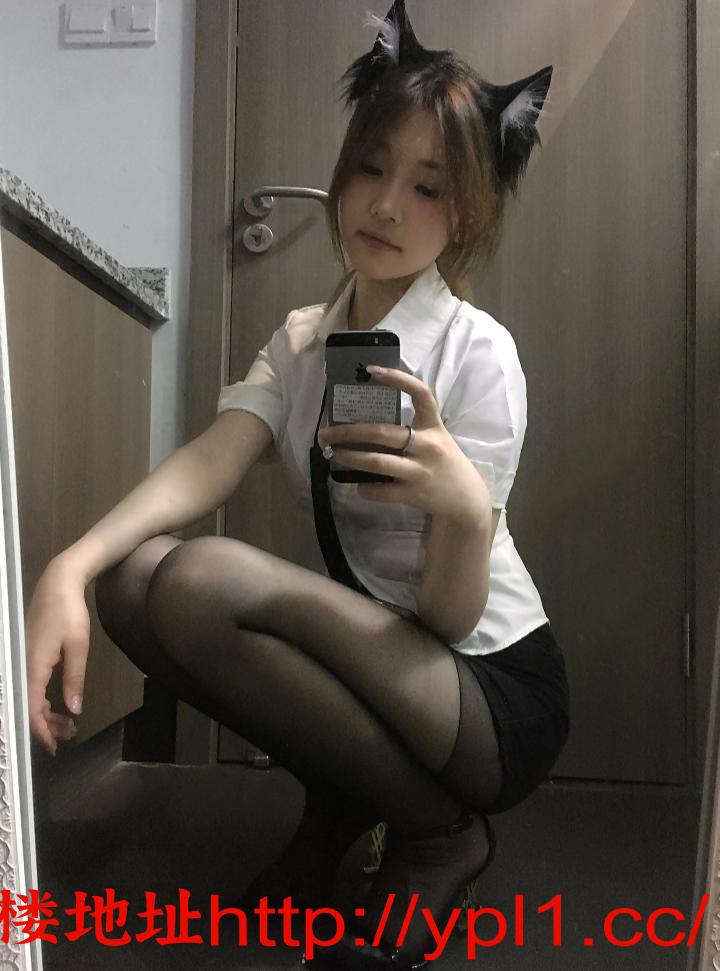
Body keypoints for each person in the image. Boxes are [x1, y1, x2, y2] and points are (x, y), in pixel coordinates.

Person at [24, 2, 570, 967]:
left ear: (468, 210)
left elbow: (448, 616)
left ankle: (441, 834)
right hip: (382, 661)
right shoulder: (306, 340)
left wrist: (458, 510)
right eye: (371, 167)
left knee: (198, 578)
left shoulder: (479, 356)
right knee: (131, 581)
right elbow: (215, 455)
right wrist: (69, 565)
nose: (385, 206)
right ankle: (346, 796)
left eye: (428, 187)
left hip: (486, 687)